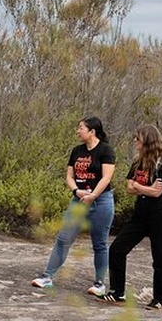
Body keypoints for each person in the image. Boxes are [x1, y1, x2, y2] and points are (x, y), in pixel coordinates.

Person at [31, 117, 115, 296]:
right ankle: (47, 277)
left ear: (92, 131)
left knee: (99, 243)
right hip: (78, 201)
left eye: (81, 128)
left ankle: (100, 284)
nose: (78, 131)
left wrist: (93, 195)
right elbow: (69, 176)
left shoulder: (106, 150)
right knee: (63, 239)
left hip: (101, 201)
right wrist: (76, 191)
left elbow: (106, 177)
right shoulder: (76, 151)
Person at [99, 124, 162, 310]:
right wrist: (144, 189)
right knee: (117, 248)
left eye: (137, 138)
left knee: (159, 256)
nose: (134, 141)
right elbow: (129, 187)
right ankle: (117, 292)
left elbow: (157, 193)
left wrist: (139, 188)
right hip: (140, 213)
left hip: (158, 213)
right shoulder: (137, 162)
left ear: (147, 140)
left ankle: (158, 299)